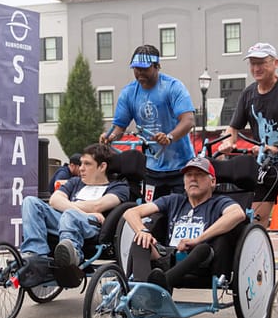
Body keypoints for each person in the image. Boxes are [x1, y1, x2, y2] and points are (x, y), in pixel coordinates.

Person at [217, 42, 278, 241]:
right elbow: (234, 127)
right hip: (267, 169)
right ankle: (258, 267)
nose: (256, 68)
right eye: (253, 63)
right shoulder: (248, 94)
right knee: (256, 222)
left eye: (262, 63)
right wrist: (228, 142)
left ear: (275, 63)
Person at [123, 156, 248, 293]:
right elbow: (130, 213)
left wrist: (198, 240)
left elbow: (238, 214)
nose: (193, 179)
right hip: (168, 256)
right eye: (189, 175)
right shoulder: (174, 200)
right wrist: (143, 231)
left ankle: (161, 285)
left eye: (199, 175)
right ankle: (141, 291)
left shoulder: (219, 202)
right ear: (184, 181)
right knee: (140, 241)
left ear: (212, 181)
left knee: (202, 249)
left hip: (201, 259)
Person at [20, 143, 131, 281]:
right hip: (67, 219)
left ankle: (73, 253)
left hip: (91, 227)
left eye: (87, 164)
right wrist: (81, 211)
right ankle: (37, 254)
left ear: (102, 167)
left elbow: (97, 206)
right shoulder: (75, 182)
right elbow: (54, 200)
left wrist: (70, 208)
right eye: (81, 163)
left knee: (70, 214)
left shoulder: (119, 187)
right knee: (30, 201)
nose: (81, 168)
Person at [99, 44, 196, 199]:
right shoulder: (129, 92)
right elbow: (119, 127)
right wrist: (110, 137)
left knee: (180, 212)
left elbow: (188, 120)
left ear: (157, 66)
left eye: (144, 68)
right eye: (136, 68)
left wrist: (169, 137)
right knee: (152, 213)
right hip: (151, 168)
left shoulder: (173, 87)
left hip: (181, 166)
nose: (139, 73)